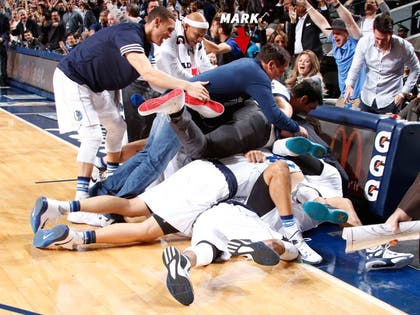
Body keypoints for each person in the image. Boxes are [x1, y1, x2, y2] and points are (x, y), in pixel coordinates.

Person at [31, 138, 332, 265]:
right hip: (210, 188)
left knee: (132, 206)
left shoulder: (254, 150)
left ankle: (59, 207)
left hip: (200, 170)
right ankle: (73, 238)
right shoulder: (279, 171)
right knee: (144, 231)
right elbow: (283, 174)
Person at [53, 6, 210, 200]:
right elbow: (148, 73)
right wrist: (188, 86)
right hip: (74, 78)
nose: (170, 35)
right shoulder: (130, 33)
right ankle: (80, 199)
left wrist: (172, 97)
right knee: (92, 136)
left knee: (117, 127)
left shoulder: (146, 45)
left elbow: (153, 82)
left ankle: (109, 174)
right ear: (156, 22)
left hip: (94, 86)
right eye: (169, 30)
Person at [344, 14, 420, 114]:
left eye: (383, 40)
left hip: (391, 100)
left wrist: (403, 93)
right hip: (367, 97)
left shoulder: (403, 47)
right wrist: (349, 85)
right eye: (377, 39)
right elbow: (355, 67)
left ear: (391, 33)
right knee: (362, 129)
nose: (379, 43)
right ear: (373, 31)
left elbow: (415, 69)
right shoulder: (364, 42)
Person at [299, 0, 365, 108]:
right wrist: (307, 5)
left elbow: (350, 23)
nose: (334, 36)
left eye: (338, 33)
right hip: (343, 97)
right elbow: (321, 23)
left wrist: (336, 5)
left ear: (347, 34)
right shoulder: (335, 43)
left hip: (358, 98)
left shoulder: (356, 43)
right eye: (334, 33)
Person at [0, 4, 9, 86]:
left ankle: (3, 80)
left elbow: (7, 31)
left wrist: (2, 38)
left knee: (3, 62)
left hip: (1, 44)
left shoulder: (5, 18)